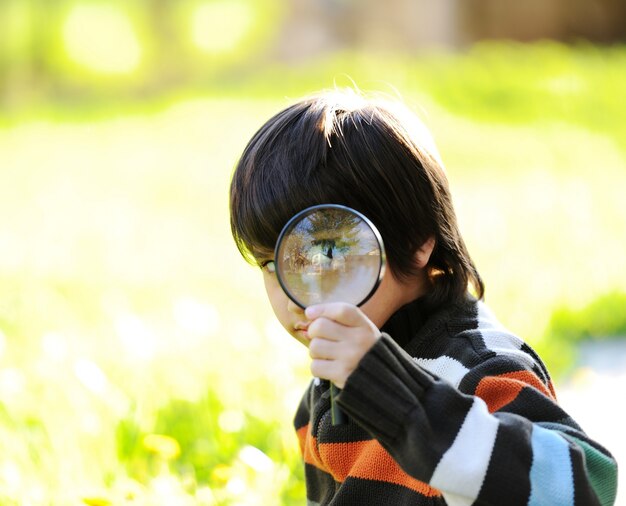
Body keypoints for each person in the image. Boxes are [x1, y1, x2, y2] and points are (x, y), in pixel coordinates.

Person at [229, 89, 618, 505]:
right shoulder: (326, 391)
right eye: (271, 265)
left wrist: (401, 401)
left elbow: (588, 487)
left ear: (417, 241)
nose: (295, 296)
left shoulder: (479, 369)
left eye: (327, 251)